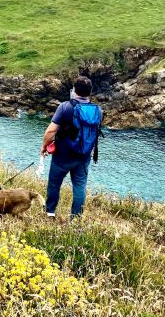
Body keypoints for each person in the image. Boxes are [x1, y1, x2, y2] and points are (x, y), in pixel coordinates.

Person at [41, 75, 102, 220]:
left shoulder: (65, 107)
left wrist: (44, 146)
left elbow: (50, 131)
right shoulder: (98, 111)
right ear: (90, 91)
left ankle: (50, 213)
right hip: (84, 155)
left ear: (74, 90)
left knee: (54, 183)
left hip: (63, 154)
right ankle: (75, 219)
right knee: (79, 186)